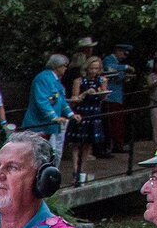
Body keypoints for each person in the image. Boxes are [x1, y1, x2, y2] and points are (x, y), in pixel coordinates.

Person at [66, 56, 110, 185]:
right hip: (82, 111)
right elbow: (74, 100)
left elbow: (102, 99)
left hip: (94, 112)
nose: (94, 71)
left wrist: (102, 92)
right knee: (77, 143)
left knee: (88, 144)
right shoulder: (79, 81)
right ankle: (75, 170)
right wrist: (84, 94)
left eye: (96, 68)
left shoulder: (102, 80)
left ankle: (82, 171)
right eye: (91, 68)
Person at [24, 53, 75, 162]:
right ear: (58, 66)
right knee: (40, 155)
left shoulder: (56, 81)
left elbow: (61, 100)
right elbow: (42, 100)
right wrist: (53, 117)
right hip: (39, 124)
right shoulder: (42, 78)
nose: (66, 69)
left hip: (51, 127)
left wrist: (71, 114)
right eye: (64, 66)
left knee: (53, 153)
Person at [102, 43, 134, 154]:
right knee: (113, 124)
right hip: (110, 97)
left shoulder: (117, 62)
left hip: (118, 96)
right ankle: (114, 145)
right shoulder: (108, 59)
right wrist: (126, 67)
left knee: (118, 123)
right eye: (124, 54)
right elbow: (108, 68)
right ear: (118, 51)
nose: (125, 57)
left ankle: (118, 144)